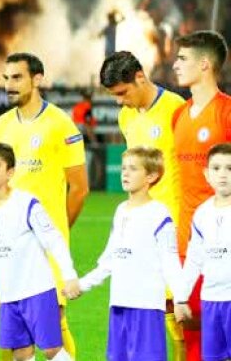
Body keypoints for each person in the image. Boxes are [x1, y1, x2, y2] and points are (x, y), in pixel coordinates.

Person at [0, 52, 87, 358]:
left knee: (53, 322)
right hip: (8, 242)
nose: (9, 84)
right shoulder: (2, 125)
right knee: (9, 319)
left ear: (37, 79)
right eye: (6, 78)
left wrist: (56, 231)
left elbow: (80, 188)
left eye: (16, 77)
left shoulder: (60, 124)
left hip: (44, 245)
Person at [101, 49, 187, 355]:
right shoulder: (126, 116)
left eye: (122, 93)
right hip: (138, 230)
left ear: (140, 77)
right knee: (144, 312)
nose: (119, 102)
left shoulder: (176, 109)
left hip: (174, 228)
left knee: (179, 313)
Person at [77, 147, 187, 361]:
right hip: (118, 305)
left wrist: (181, 298)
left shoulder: (159, 214)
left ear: (151, 176)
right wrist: (82, 284)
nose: (125, 173)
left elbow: (170, 262)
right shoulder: (120, 211)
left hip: (146, 308)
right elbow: (110, 259)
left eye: (133, 169)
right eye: (124, 168)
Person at [0, 143, 78, 361]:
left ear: (10, 172)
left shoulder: (27, 203)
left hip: (37, 290)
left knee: (51, 350)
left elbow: (54, 240)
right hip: (8, 295)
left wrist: (69, 276)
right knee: (21, 354)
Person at [170, 29, 231, 361]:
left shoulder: (226, 112)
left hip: (224, 246)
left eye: (182, 59)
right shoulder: (179, 115)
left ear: (205, 64)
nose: (175, 65)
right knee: (191, 330)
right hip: (186, 244)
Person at [177, 143, 231, 361]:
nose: (223, 175)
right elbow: (194, 260)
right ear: (206, 174)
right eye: (216, 168)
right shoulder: (202, 214)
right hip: (210, 301)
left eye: (230, 168)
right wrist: (181, 298)